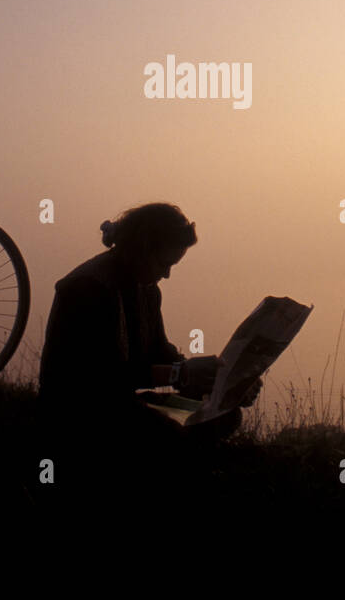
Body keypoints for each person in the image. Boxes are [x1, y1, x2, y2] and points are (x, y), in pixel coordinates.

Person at [37, 203, 259, 493]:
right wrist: (180, 374)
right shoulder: (87, 288)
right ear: (143, 249)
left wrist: (218, 382)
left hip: (121, 403)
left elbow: (158, 353)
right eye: (164, 264)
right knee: (171, 433)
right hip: (81, 413)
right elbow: (104, 378)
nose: (166, 274)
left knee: (225, 415)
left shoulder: (147, 289)